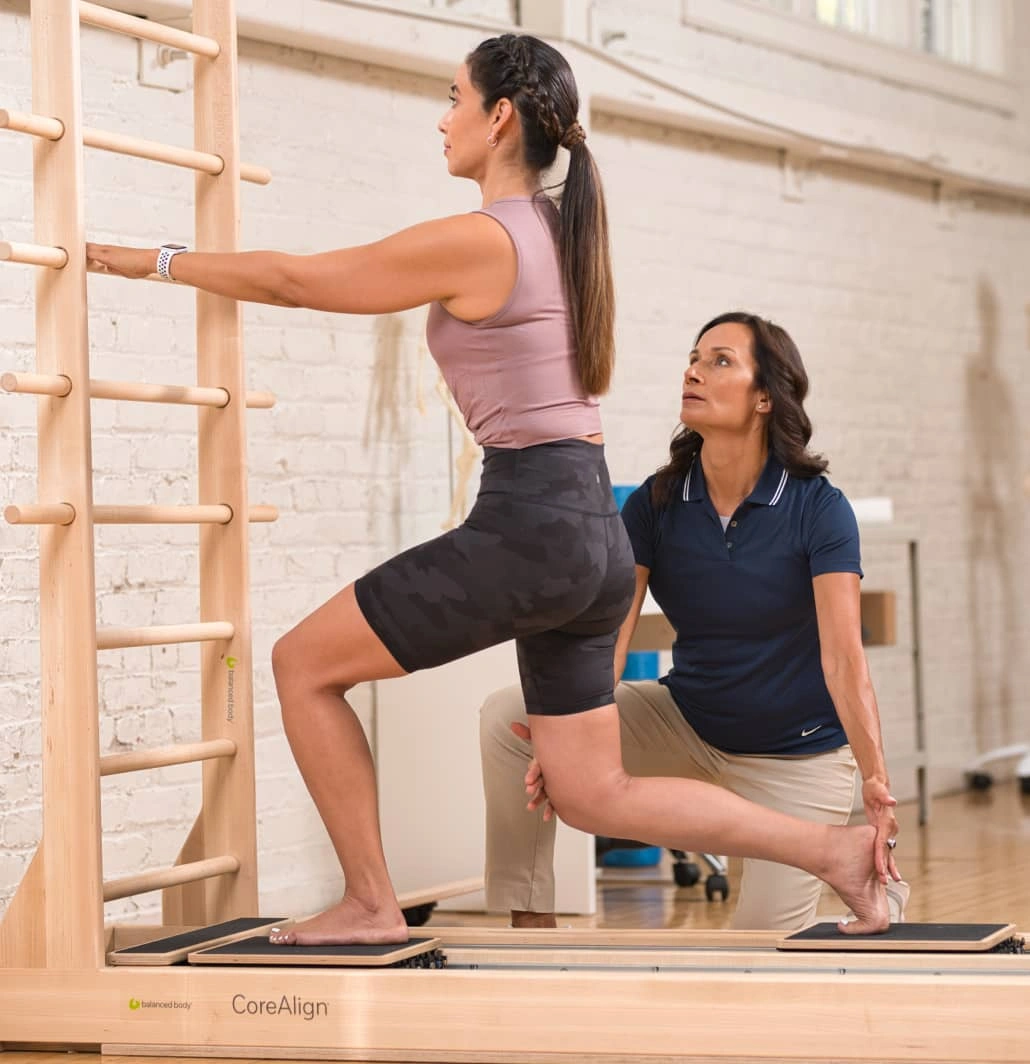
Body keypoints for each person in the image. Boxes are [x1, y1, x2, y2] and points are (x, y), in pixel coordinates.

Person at [87, 37, 891, 947]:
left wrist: (151, 261)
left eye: (454, 98)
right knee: (593, 793)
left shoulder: (485, 238)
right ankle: (831, 851)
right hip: (592, 534)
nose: (444, 117)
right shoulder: (563, 232)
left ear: (499, 115)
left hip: (534, 523)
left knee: (301, 667)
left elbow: (295, 280)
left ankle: (368, 900)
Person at [481, 311, 907, 930]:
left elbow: (844, 659)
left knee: (760, 956)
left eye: (720, 361)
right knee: (509, 715)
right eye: (694, 357)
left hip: (799, 758)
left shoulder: (819, 507)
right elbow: (610, 637)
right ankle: (530, 922)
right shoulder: (657, 502)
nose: (694, 370)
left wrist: (876, 780)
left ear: (766, 397)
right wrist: (570, 733)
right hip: (689, 724)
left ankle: (872, 882)